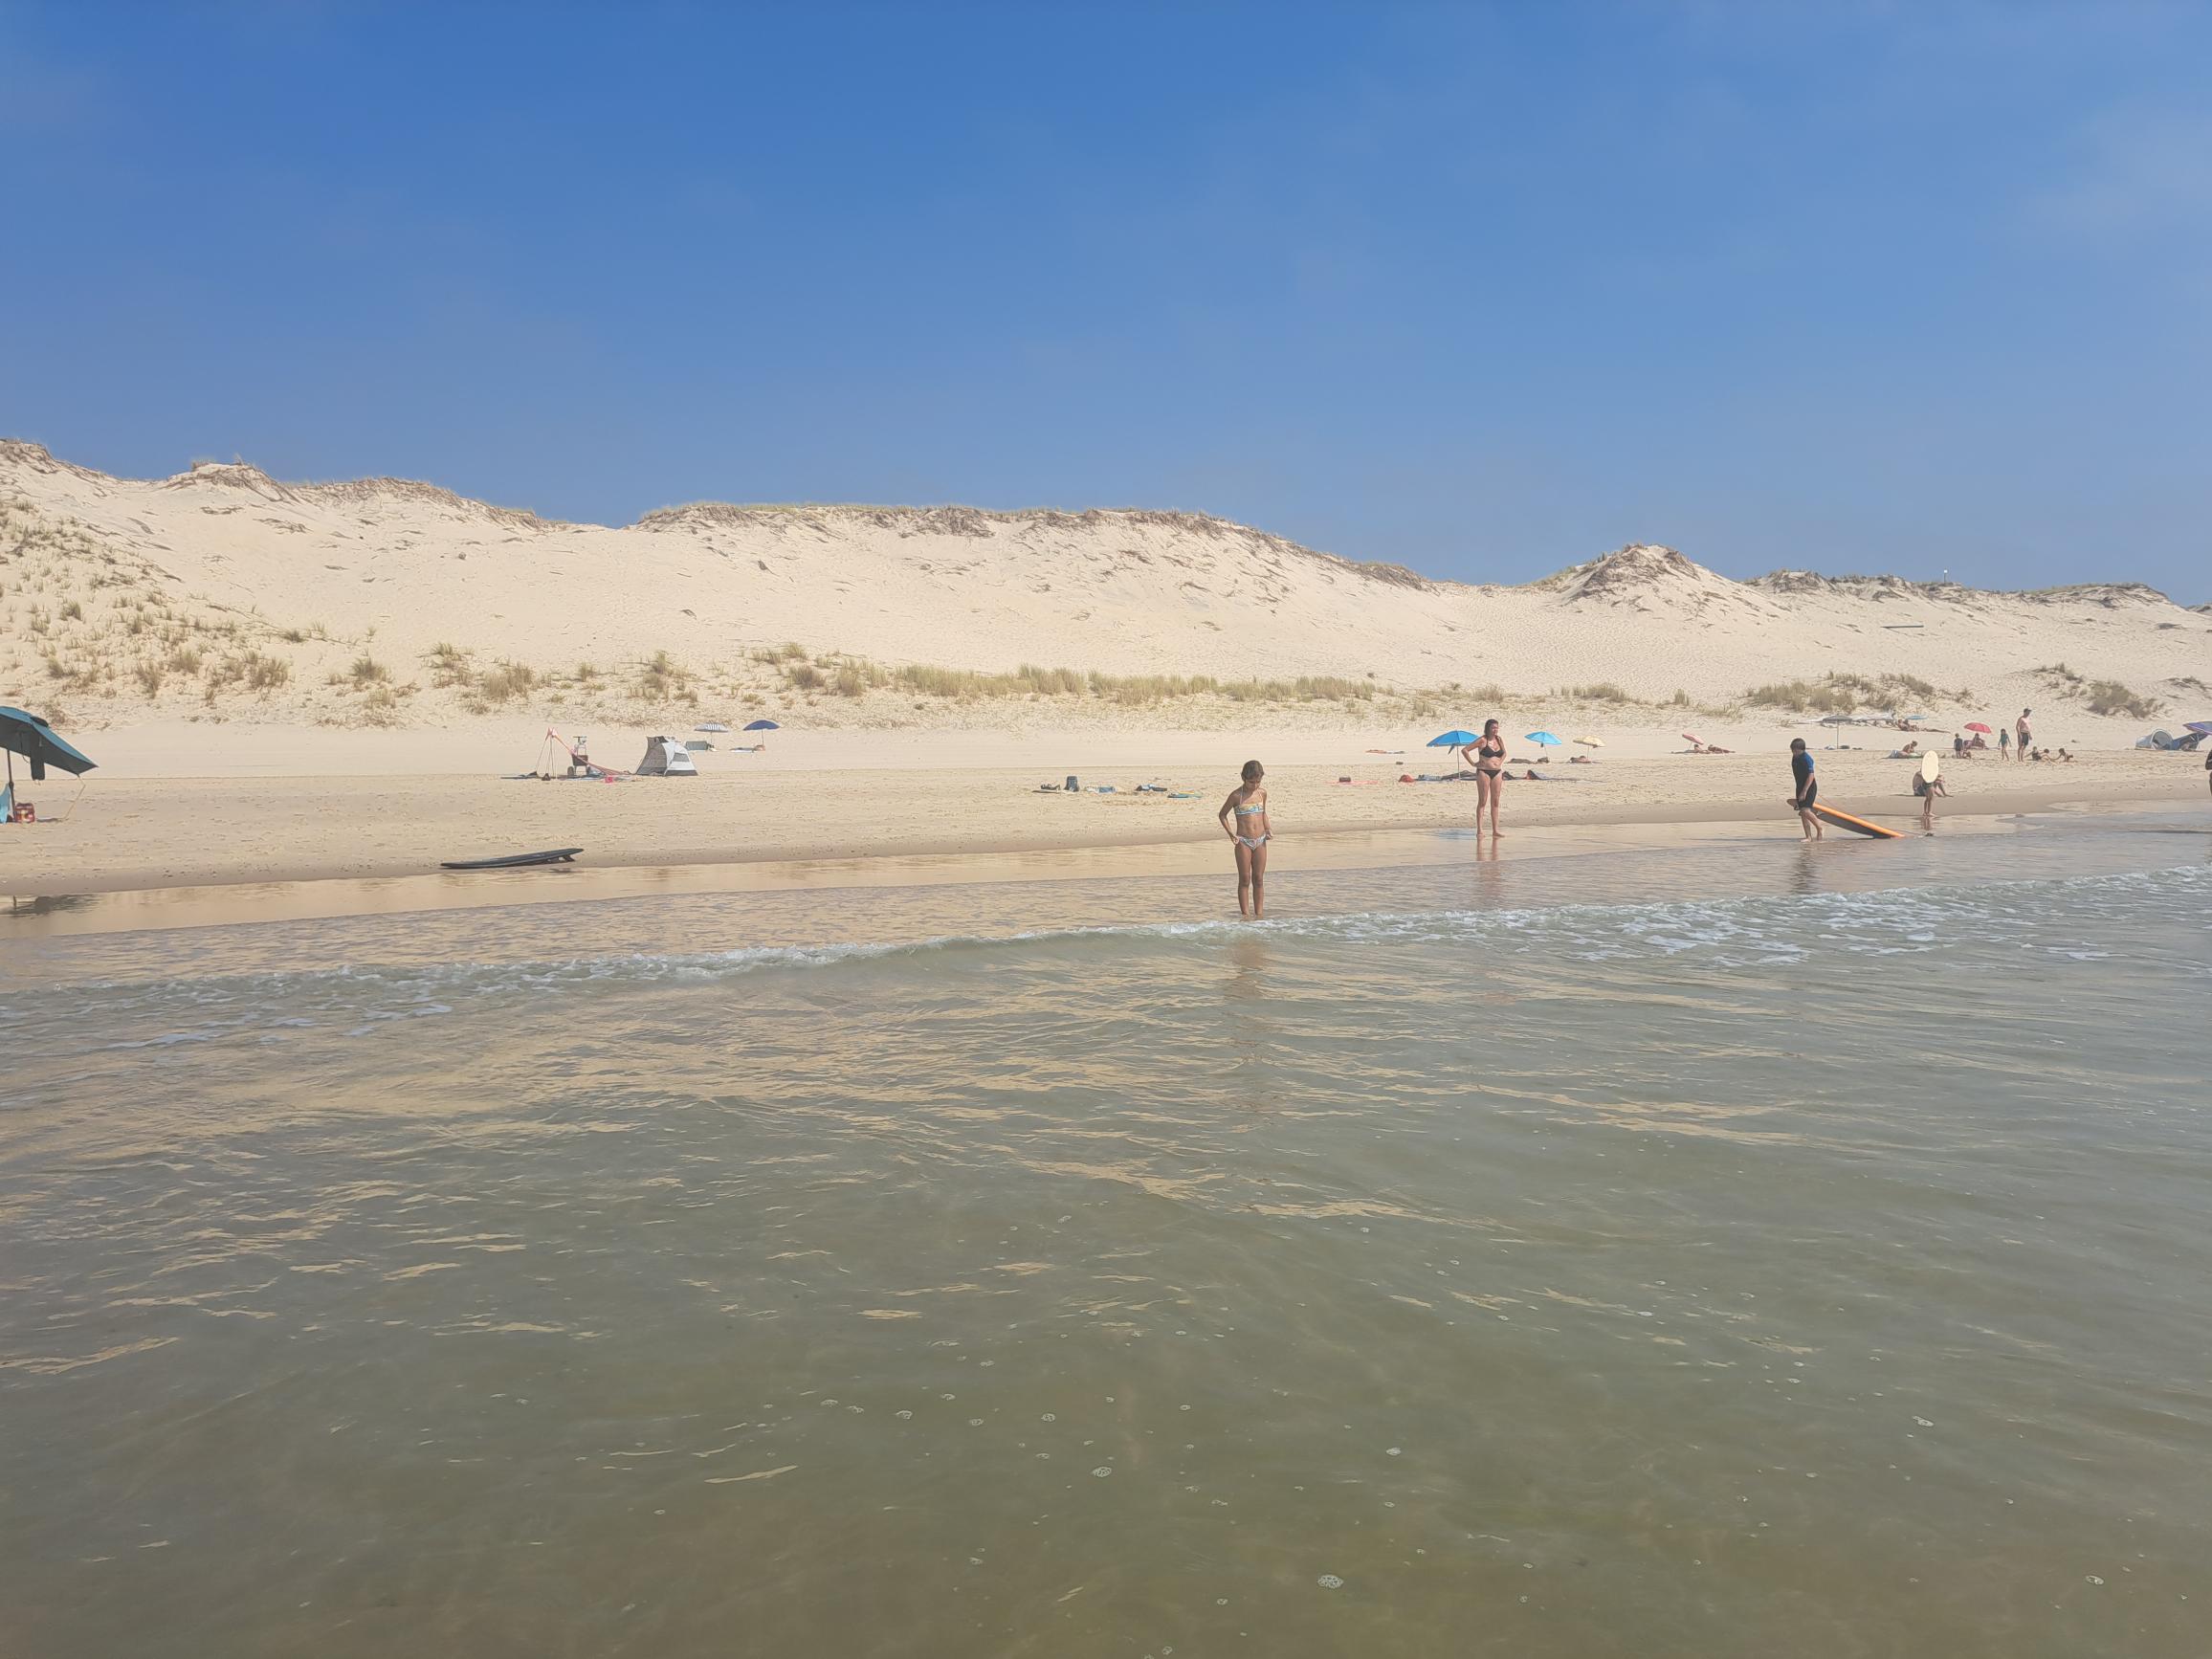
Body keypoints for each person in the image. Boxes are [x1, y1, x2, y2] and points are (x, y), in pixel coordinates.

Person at [1217, 760, 1272, 918]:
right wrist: (1231, 834)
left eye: (1257, 781)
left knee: (1259, 878)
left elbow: (1263, 814)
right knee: (1245, 878)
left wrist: (1268, 829)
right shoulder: (1236, 796)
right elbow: (1222, 815)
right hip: (1243, 841)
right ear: (1243, 778)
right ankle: (1246, 915)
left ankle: (1259, 915)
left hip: (1261, 840)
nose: (1254, 785)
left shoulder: (1262, 793)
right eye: (1251, 782)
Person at [1472, 717, 1507, 836]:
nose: (1495, 730)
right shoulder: (1482, 740)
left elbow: (1505, 752)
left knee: (1495, 802)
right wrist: (1473, 763)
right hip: (1484, 772)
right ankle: (1480, 830)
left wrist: (1500, 761)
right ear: (1488, 728)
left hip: (1497, 772)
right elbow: (1465, 750)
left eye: (1497, 728)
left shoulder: (1499, 739)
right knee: (1483, 801)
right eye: (1493, 728)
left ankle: (1495, 830)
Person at [1788, 738, 1822, 840]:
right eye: (1792, 750)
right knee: (1803, 813)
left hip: (1809, 787)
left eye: (1795, 750)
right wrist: (1800, 790)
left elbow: (1811, 775)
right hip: (1800, 787)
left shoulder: (1806, 759)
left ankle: (1820, 828)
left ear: (1801, 749)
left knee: (1805, 810)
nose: (1793, 752)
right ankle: (1808, 837)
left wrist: (1804, 791)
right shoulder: (1795, 757)